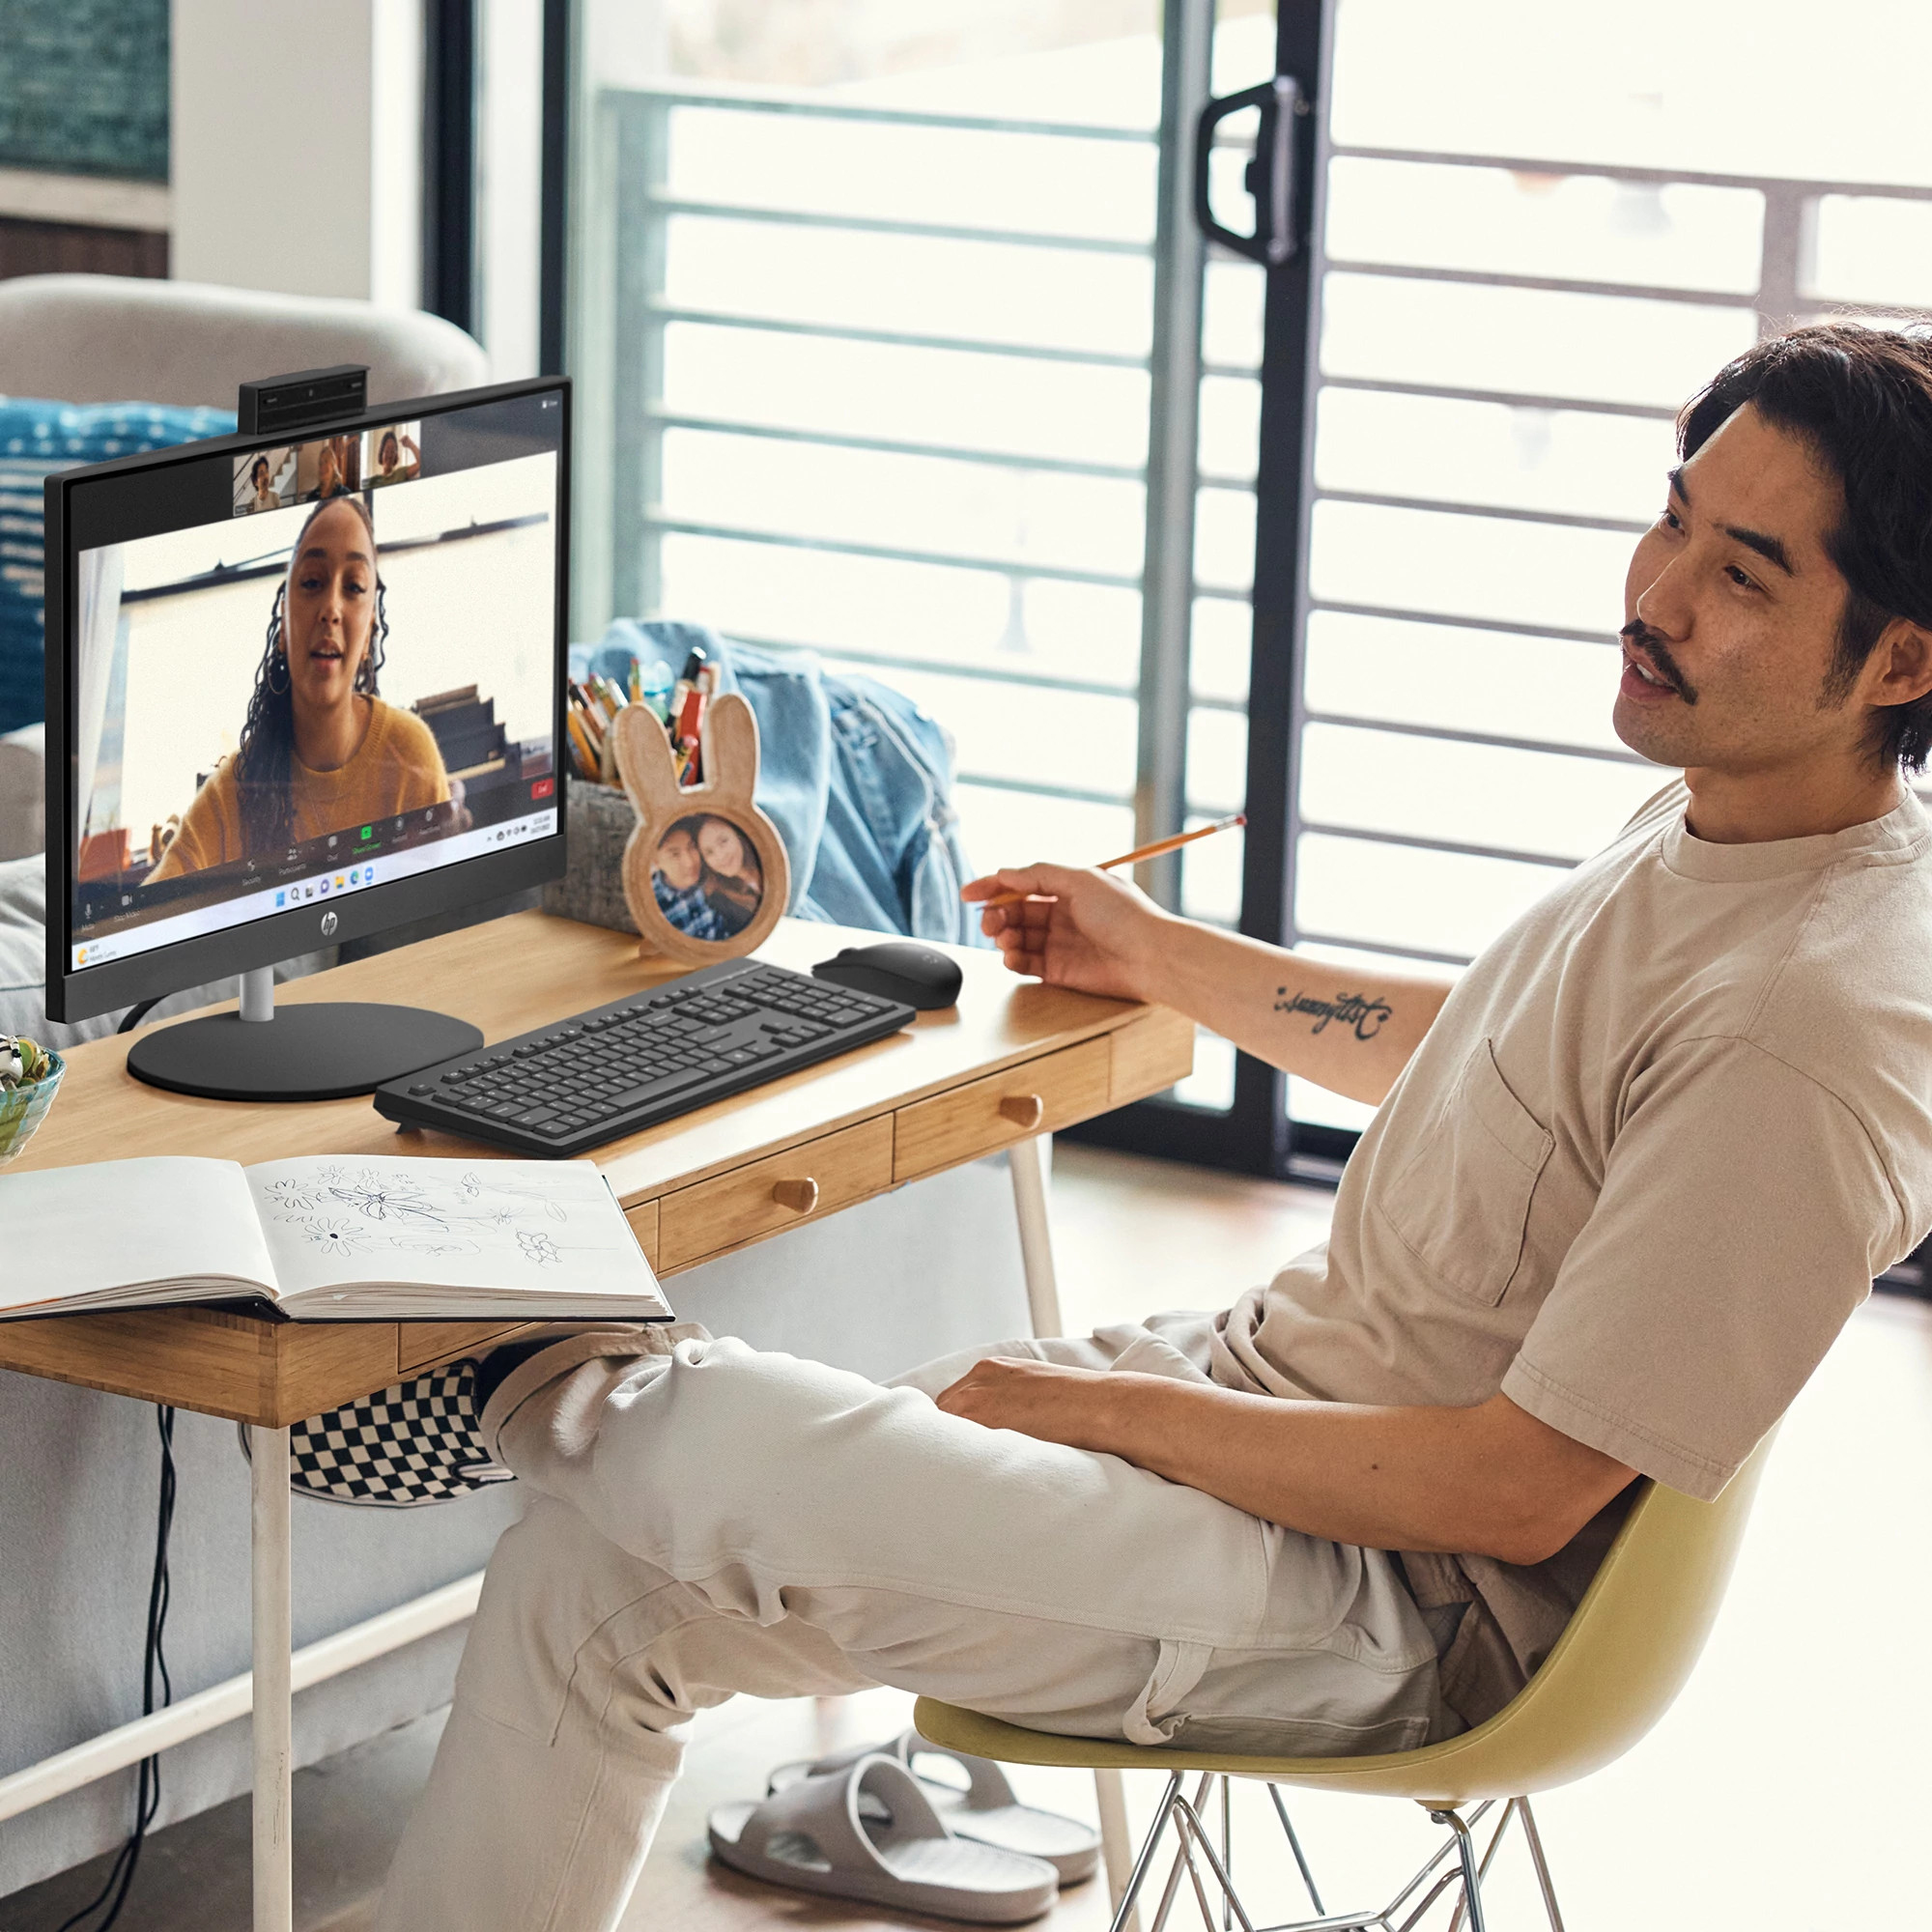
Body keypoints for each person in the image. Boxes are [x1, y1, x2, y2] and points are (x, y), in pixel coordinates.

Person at [372, 325, 1932, 1931]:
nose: (1657, 595)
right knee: (586, 1579)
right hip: (1263, 1417)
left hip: (1380, 1598)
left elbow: (1515, 1496)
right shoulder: (1737, 814)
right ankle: (565, 1385)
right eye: (1672, 519)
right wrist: (1164, 956)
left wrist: (1111, 1415)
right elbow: (1498, 1054)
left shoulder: (1806, 1027)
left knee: (705, 1438)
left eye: (1742, 575)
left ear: (1901, 661)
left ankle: (515, 1366)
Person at [147, 496, 449, 878]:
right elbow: (157, 906)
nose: (331, 609)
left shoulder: (409, 757)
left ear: (370, 629)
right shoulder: (229, 798)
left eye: (354, 586)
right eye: (311, 582)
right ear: (284, 623)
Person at [650, 817, 729, 940]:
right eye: (675, 854)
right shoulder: (651, 904)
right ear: (655, 861)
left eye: (692, 847)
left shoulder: (715, 876)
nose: (690, 862)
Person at [696, 811, 762, 934]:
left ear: (738, 835)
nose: (721, 856)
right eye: (709, 852)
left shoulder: (768, 864)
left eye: (723, 841)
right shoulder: (719, 903)